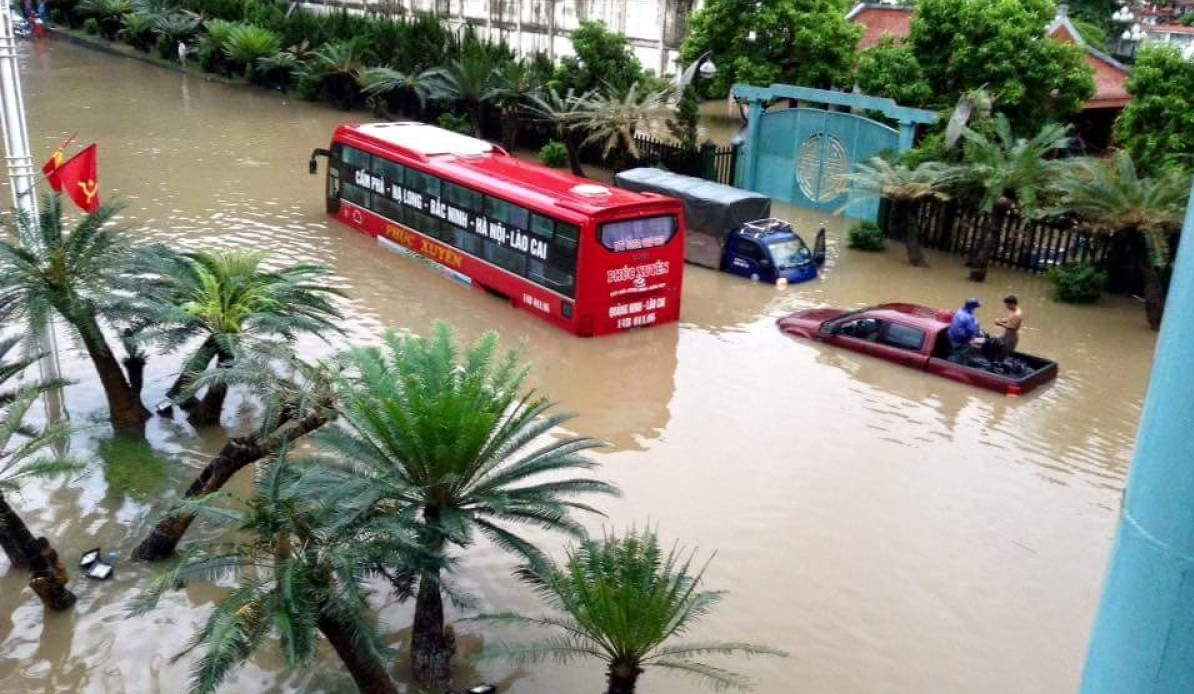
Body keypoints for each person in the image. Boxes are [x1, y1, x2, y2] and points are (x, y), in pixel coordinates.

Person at [947, 298, 983, 362]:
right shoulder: (968, 318)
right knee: (981, 342)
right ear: (972, 307)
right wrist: (976, 341)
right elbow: (971, 333)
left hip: (951, 336)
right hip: (959, 341)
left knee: (980, 339)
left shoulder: (960, 310)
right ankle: (955, 361)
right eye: (975, 307)